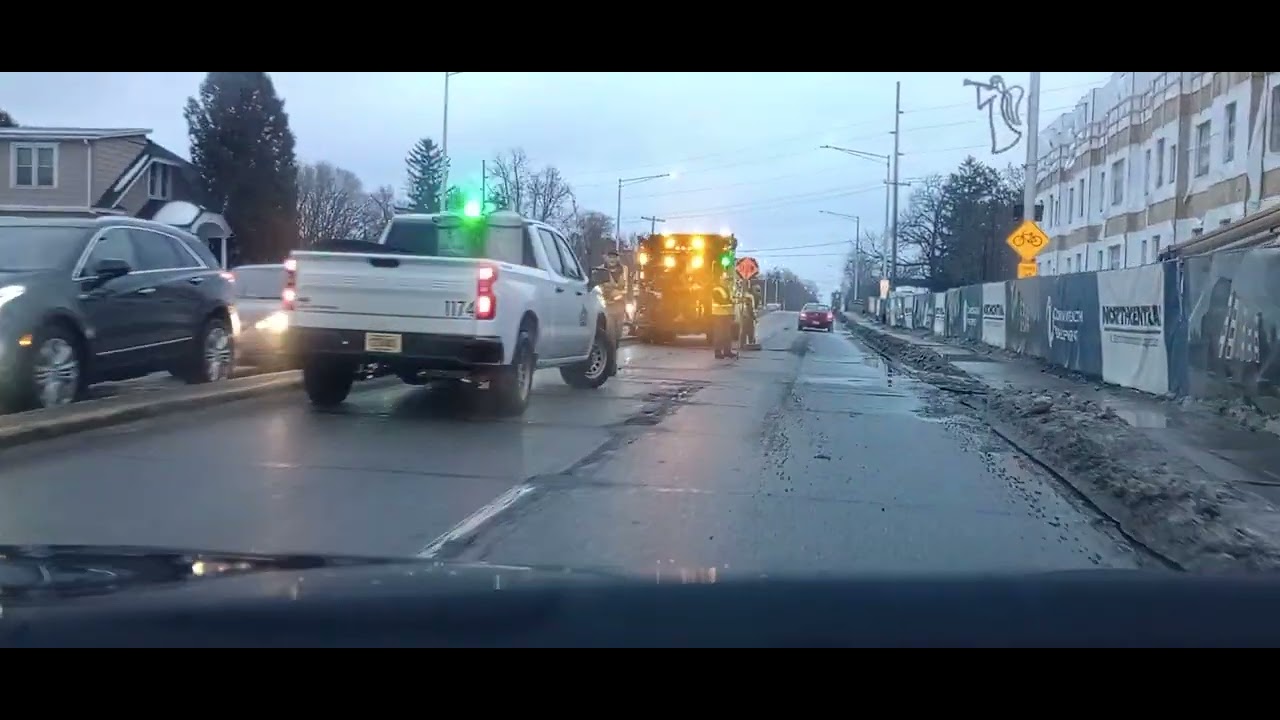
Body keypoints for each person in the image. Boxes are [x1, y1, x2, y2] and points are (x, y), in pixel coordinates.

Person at [594, 250, 629, 375]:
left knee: (617, 336)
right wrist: (612, 292)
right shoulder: (600, 271)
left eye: (615, 257)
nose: (612, 259)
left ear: (618, 258)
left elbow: (625, 287)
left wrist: (617, 293)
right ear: (606, 258)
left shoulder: (624, 270)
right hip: (606, 307)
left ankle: (612, 360)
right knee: (610, 337)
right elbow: (600, 287)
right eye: (610, 257)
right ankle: (610, 366)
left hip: (620, 307)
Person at [709, 281, 737, 359]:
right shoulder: (716, 289)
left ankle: (727, 351)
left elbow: (730, 300)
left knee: (727, 334)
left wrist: (733, 302)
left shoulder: (727, 290)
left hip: (726, 315)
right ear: (721, 281)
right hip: (718, 315)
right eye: (725, 281)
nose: (726, 282)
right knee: (719, 334)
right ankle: (718, 352)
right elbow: (720, 301)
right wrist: (731, 303)